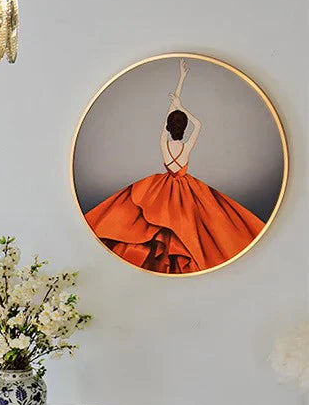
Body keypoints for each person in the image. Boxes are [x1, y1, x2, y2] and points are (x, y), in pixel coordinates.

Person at [84, 58, 264, 273]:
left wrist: (179, 87)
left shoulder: (163, 144)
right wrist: (181, 104)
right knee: (195, 224)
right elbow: (198, 124)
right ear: (184, 128)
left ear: (169, 127)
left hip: (160, 187)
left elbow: (167, 118)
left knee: (152, 223)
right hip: (186, 188)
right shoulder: (186, 147)